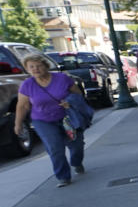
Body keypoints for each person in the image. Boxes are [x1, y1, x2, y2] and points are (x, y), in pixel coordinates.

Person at [13, 54, 86, 187]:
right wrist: (18, 124)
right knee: (55, 148)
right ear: (27, 69)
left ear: (46, 66)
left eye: (38, 65)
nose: (35, 69)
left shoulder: (62, 78)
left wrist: (69, 102)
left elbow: (78, 94)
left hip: (67, 118)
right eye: (31, 67)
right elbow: (22, 105)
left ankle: (76, 162)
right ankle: (63, 177)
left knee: (76, 145)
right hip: (43, 120)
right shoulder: (27, 85)